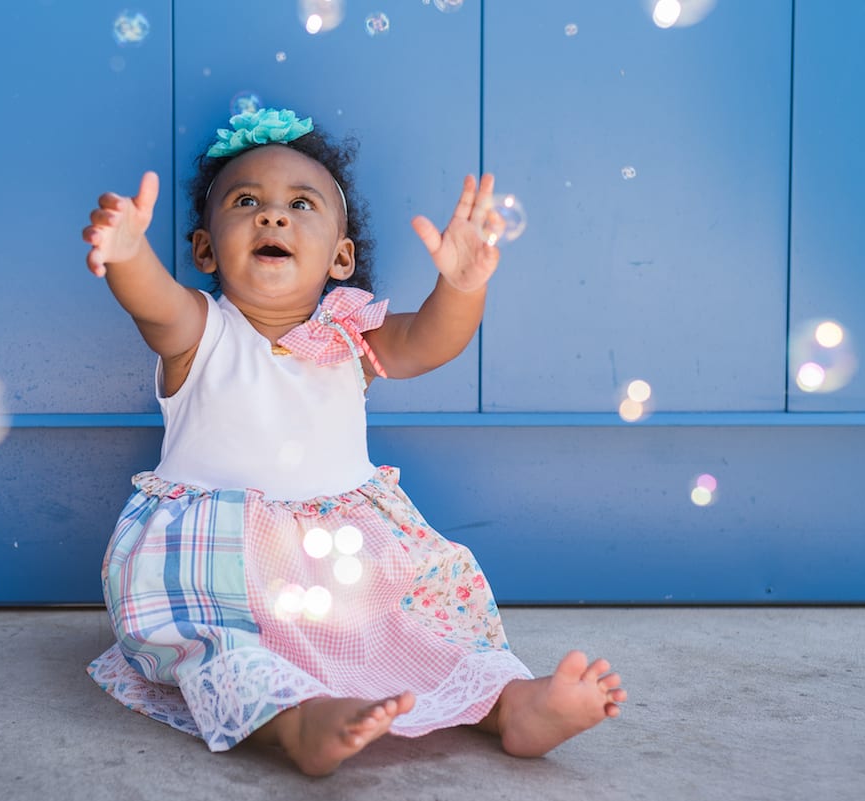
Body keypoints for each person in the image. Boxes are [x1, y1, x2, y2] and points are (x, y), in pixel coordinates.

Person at [82, 107, 626, 776]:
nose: (272, 216)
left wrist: (461, 286)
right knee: (227, 654)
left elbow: (428, 341)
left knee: (417, 635)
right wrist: (128, 254)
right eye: (246, 202)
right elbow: (155, 303)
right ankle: (301, 723)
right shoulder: (201, 331)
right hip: (220, 565)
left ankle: (512, 704)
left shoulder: (350, 337)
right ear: (205, 251)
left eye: (300, 204)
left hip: (343, 561)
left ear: (340, 257)